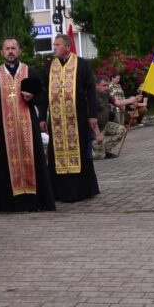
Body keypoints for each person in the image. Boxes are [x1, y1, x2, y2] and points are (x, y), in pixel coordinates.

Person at [0, 37, 55, 212]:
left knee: (34, 161)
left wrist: (33, 98)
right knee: (4, 167)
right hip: (3, 131)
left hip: (28, 128)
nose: (10, 51)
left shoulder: (31, 73)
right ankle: (8, 205)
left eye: (13, 48)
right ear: (2, 52)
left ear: (19, 51)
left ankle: (35, 202)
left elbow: (43, 97)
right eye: (7, 49)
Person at [44, 34, 101, 202]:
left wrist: (92, 115)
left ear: (68, 47)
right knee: (56, 154)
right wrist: (42, 116)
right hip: (56, 121)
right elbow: (43, 91)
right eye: (54, 44)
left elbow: (91, 90)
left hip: (78, 118)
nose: (54, 47)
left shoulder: (81, 64)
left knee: (80, 152)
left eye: (58, 44)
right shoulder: (49, 66)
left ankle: (82, 190)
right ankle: (58, 192)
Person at [93, 75, 136, 160]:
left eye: (107, 85)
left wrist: (132, 100)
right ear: (96, 85)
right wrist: (97, 134)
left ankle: (105, 149)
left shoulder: (106, 93)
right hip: (94, 129)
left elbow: (118, 102)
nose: (106, 88)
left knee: (122, 130)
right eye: (104, 85)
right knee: (99, 157)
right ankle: (96, 151)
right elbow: (91, 118)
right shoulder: (91, 97)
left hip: (105, 125)